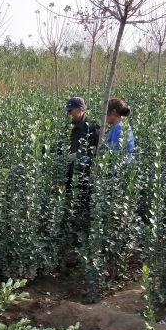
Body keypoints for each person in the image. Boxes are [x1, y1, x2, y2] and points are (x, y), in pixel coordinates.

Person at [63, 96, 100, 230]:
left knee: (84, 200)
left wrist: (84, 158)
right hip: (70, 172)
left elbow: (98, 152)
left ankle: (83, 227)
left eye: (70, 110)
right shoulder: (69, 126)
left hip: (85, 174)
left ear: (80, 109)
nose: (69, 114)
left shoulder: (92, 128)